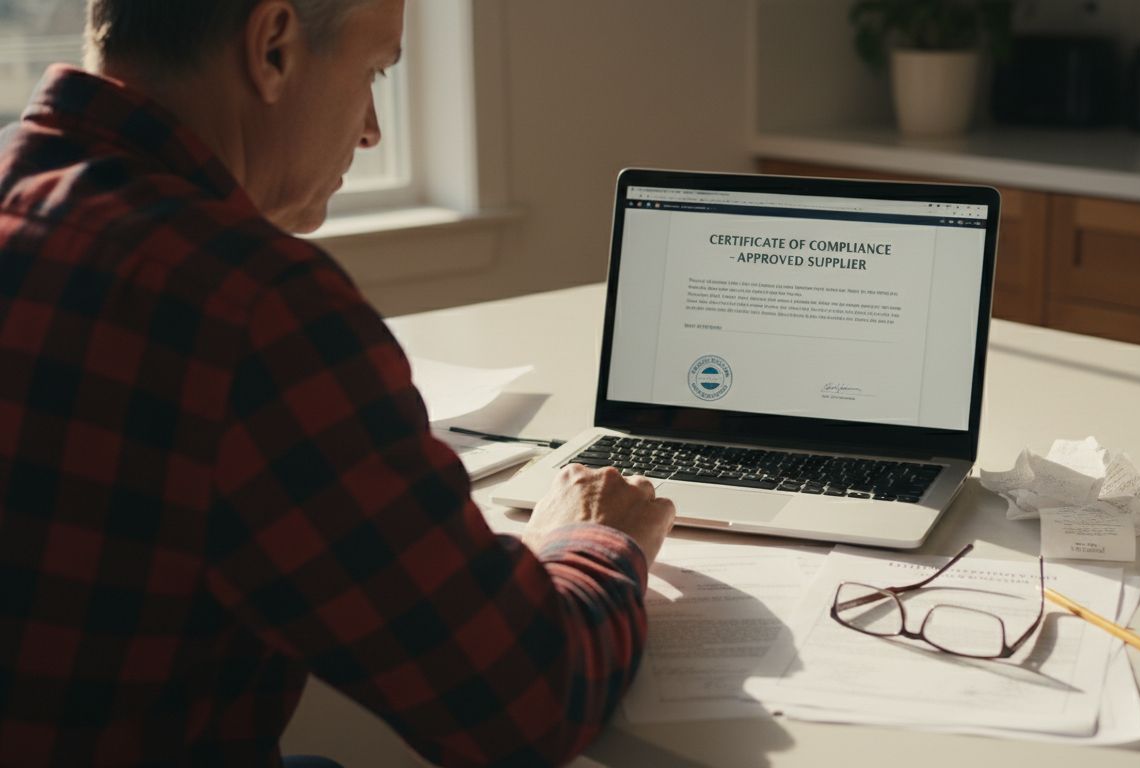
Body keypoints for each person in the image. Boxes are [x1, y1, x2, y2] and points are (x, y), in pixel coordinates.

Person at [0, 0, 676, 766]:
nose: (371, 131)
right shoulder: (252, 311)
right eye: (374, 72)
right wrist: (598, 536)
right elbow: (525, 701)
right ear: (273, 47)